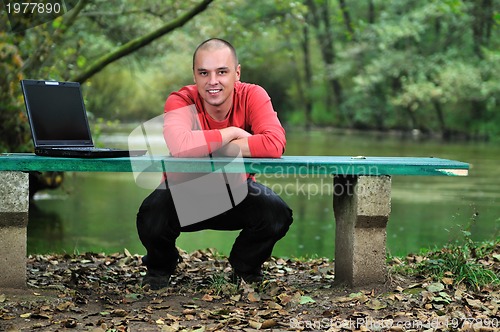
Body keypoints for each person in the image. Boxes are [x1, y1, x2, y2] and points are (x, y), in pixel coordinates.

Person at [136, 38, 293, 290]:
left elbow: (274, 144)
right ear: (194, 75)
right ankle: (160, 268)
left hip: (238, 193)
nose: (213, 81)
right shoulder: (180, 100)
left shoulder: (253, 95)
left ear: (237, 73)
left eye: (222, 71)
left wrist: (207, 145)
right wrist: (232, 132)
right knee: (151, 215)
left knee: (276, 214)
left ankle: (245, 267)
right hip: (183, 194)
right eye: (204, 73)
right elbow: (179, 145)